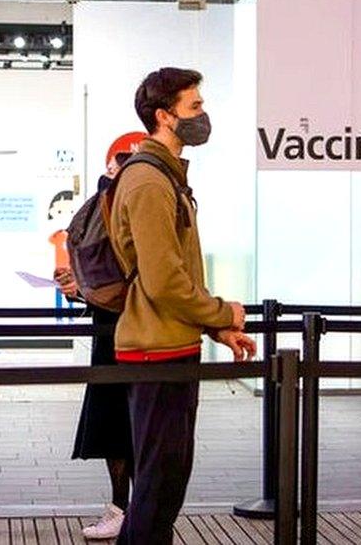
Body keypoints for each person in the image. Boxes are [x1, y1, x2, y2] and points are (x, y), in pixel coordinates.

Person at [108, 67, 256, 544]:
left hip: (170, 345)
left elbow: (176, 273)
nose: (202, 115)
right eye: (194, 108)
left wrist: (214, 331)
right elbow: (164, 281)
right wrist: (222, 313)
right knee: (157, 488)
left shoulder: (165, 177)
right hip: (156, 353)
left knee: (164, 486)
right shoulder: (150, 182)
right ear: (163, 117)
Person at [55, 147, 141, 541]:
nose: (108, 178)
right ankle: (128, 508)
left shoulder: (131, 209)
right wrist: (80, 289)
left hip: (129, 332)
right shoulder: (116, 210)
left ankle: (129, 509)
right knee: (120, 423)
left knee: (124, 424)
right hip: (117, 329)